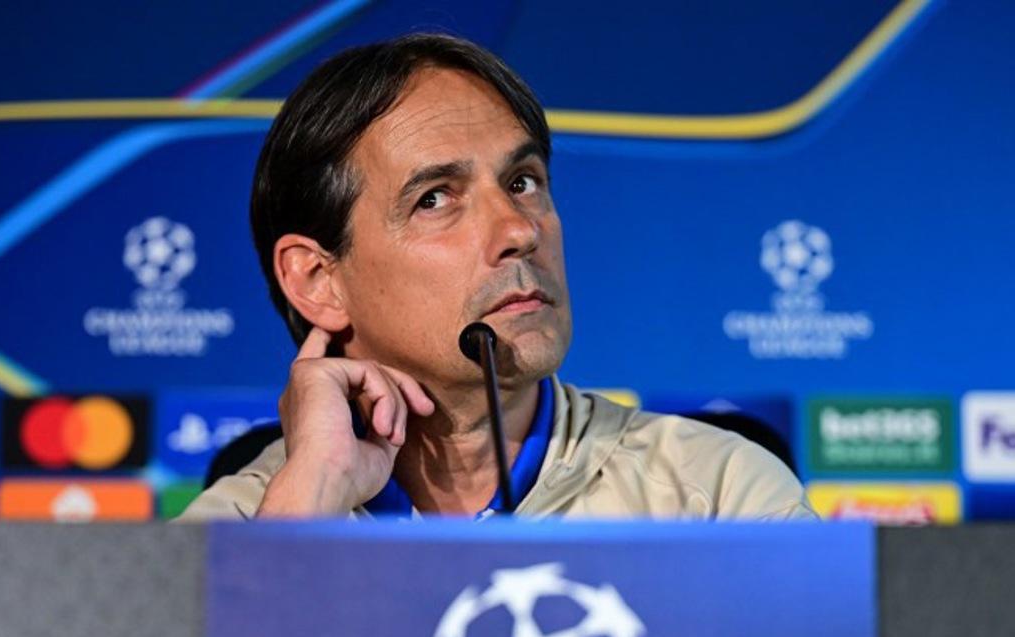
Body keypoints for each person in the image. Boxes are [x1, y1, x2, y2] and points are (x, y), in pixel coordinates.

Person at [179, 33, 814, 521]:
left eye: (523, 182)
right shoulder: (240, 521)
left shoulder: (715, 496)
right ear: (319, 280)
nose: (519, 230)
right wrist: (310, 497)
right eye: (435, 198)